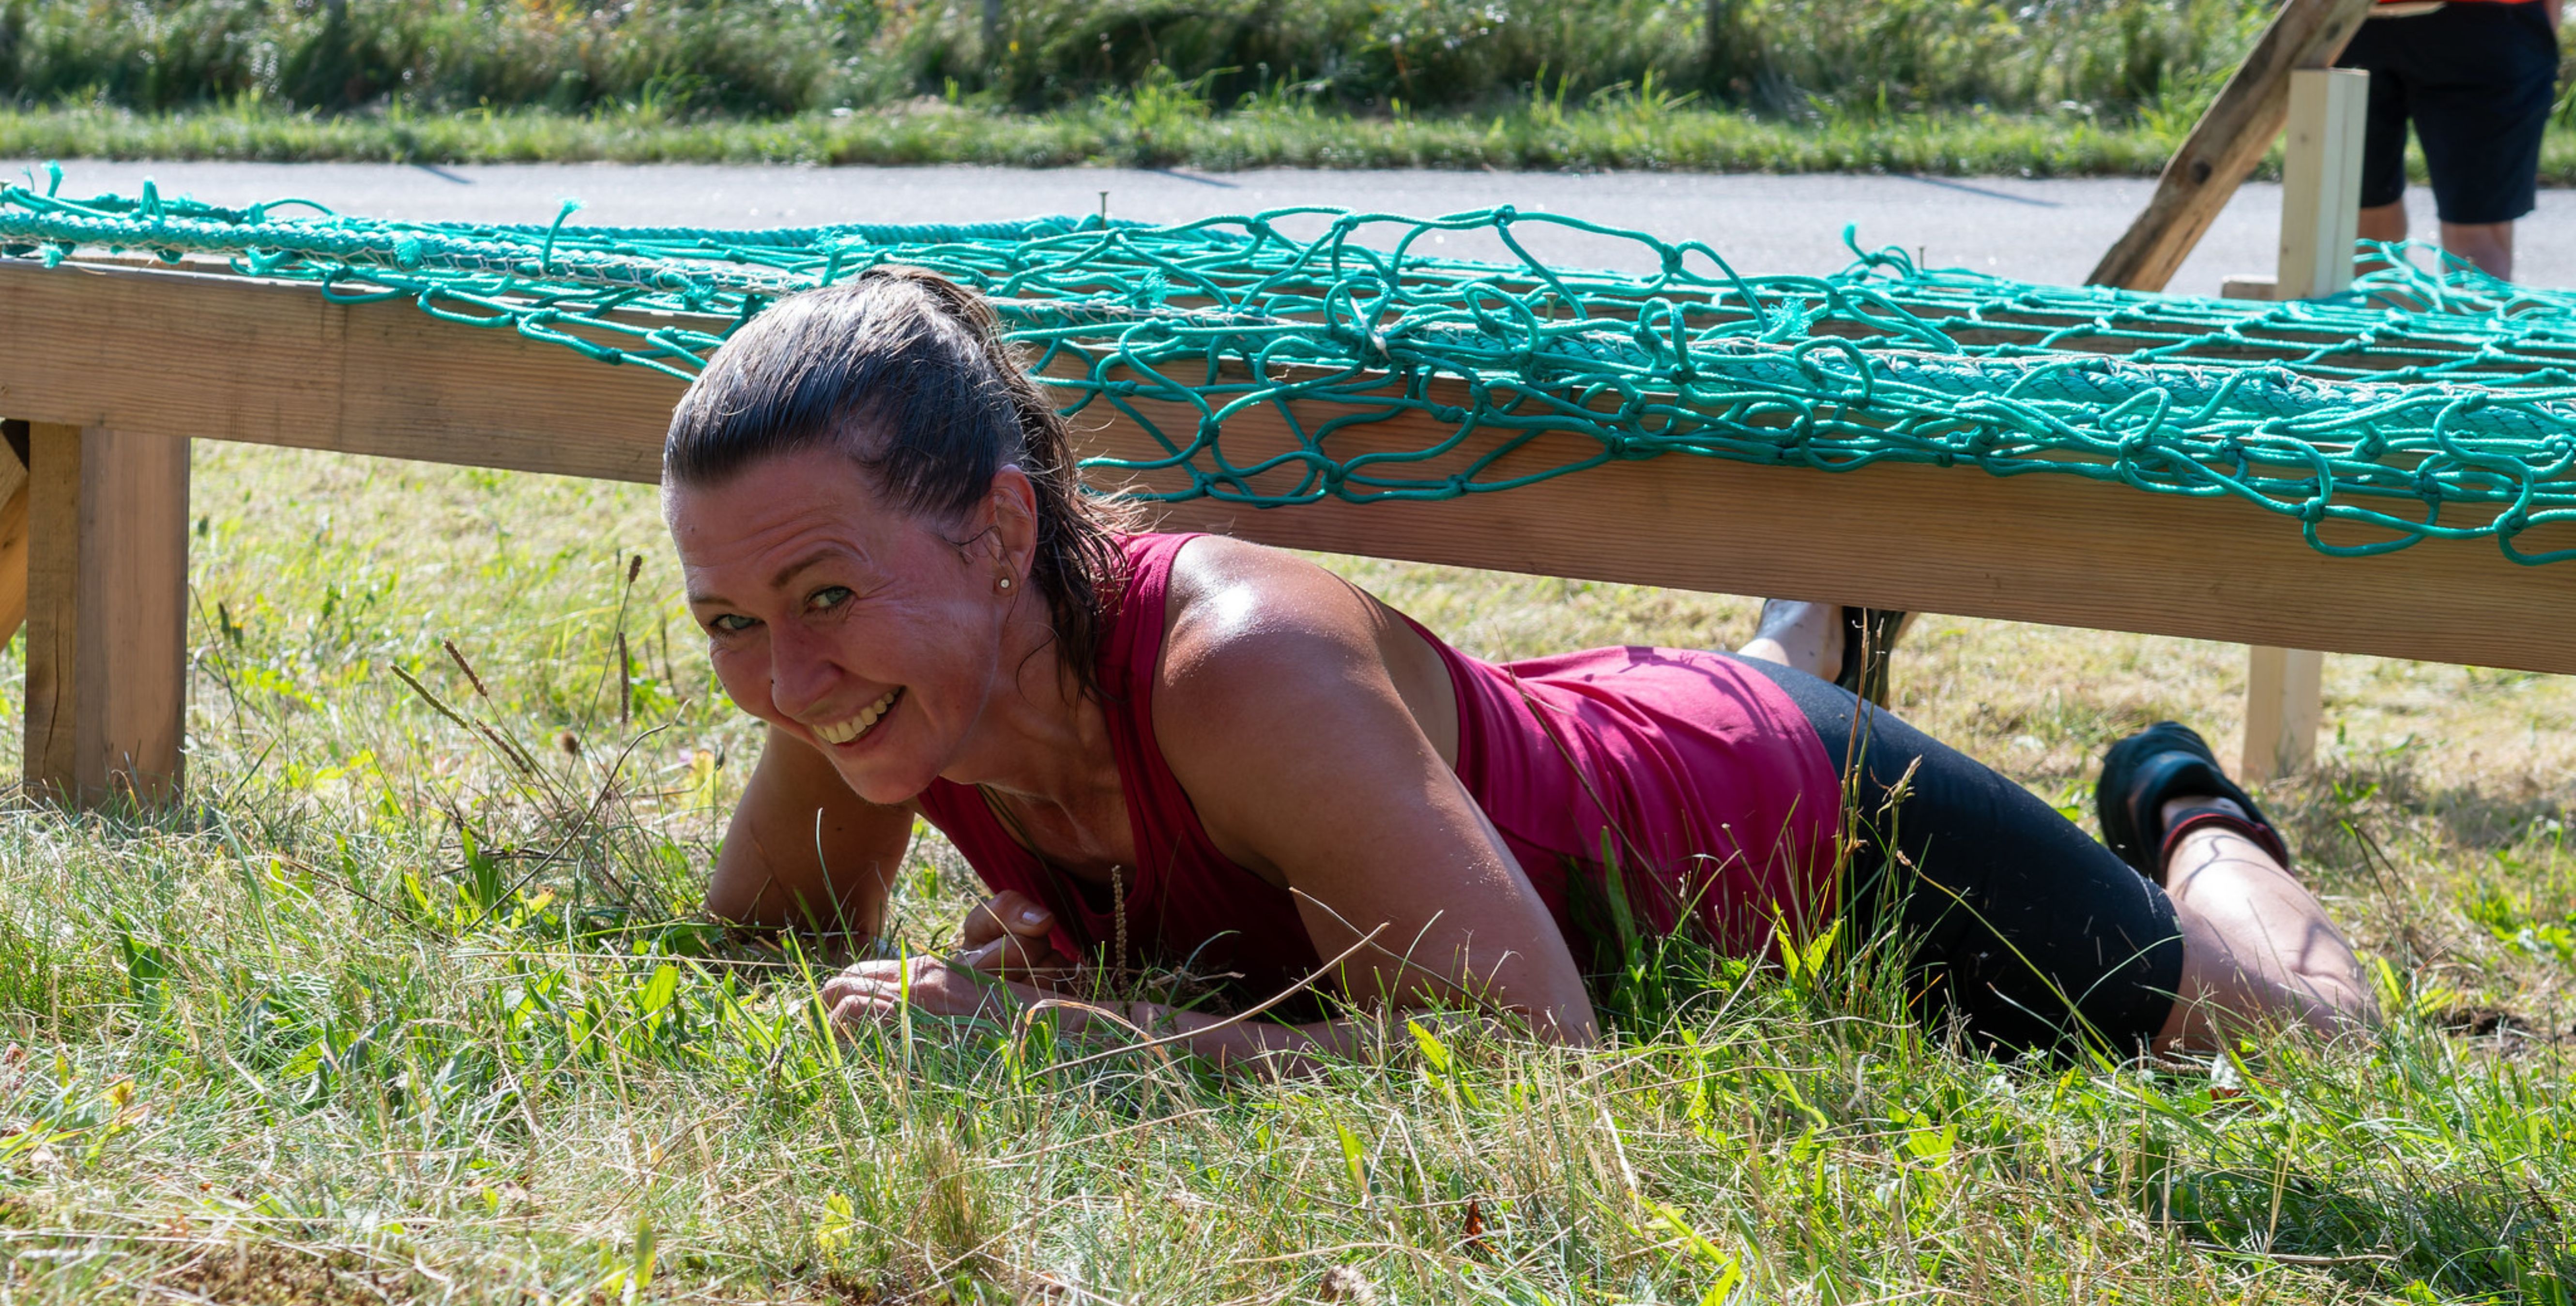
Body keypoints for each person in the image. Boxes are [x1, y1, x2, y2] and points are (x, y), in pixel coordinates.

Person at [664, 268, 2377, 1073]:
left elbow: (1523, 1059)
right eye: (729, 622)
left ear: (990, 530)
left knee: (2303, 1039)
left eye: (818, 595)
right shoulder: (870, 685)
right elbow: (767, 951)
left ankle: (2183, 802)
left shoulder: (1238, 669)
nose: (785, 674)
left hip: (1799, 818)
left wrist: (1090, 1040)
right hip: (1576, 780)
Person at [2340, 0, 2562, 281]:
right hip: (2486, 26)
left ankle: (2374, 315)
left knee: (2366, 230)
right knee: (2475, 241)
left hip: (2351, 20)